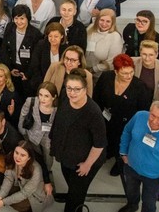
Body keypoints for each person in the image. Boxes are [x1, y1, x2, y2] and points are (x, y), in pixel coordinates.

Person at [49, 69, 106, 212]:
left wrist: (87, 164)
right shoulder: (64, 96)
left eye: (77, 89)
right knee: (73, 188)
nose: (72, 93)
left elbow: (99, 144)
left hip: (85, 160)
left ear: (85, 90)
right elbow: (59, 121)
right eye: (69, 88)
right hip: (67, 155)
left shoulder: (93, 112)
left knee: (75, 198)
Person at [93, 54, 152, 176]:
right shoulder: (106, 77)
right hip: (106, 119)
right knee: (107, 139)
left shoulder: (140, 87)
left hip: (126, 124)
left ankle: (119, 162)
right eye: (124, 73)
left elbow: (143, 112)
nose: (129, 76)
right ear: (116, 71)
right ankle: (107, 153)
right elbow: (96, 97)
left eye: (131, 72)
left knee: (121, 144)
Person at [120, 102, 159, 212]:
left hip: (153, 177)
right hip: (131, 167)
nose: (154, 121)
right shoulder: (139, 116)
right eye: (152, 115)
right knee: (130, 191)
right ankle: (132, 206)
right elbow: (127, 131)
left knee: (149, 202)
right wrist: (123, 152)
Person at [0, 141, 53, 212]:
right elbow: (8, 179)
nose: (17, 157)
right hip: (20, 186)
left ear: (29, 157)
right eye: (16, 152)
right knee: (1, 191)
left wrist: (4, 202)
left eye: (22, 155)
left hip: (33, 195)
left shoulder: (36, 170)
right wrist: (1, 196)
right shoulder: (12, 160)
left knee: (18, 204)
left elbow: (25, 193)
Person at [3, 4, 44, 100]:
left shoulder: (35, 34)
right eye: (16, 18)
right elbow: (4, 49)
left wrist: (27, 74)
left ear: (28, 19)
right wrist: (9, 69)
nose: (19, 21)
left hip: (28, 70)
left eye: (22, 18)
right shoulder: (10, 27)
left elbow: (36, 58)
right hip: (13, 67)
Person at [18, 82, 58, 173]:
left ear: (54, 97)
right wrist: (23, 132)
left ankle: (47, 173)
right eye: (40, 95)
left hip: (48, 139)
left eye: (46, 96)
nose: (42, 99)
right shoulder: (31, 101)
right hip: (32, 135)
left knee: (48, 160)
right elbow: (23, 115)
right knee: (36, 157)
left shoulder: (58, 108)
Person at [30, 23, 68, 93]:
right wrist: (43, 85)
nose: (52, 39)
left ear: (62, 36)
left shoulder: (66, 49)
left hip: (60, 83)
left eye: (56, 36)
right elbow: (35, 66)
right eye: (50, 36)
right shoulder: (41, 45)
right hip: (41, 81)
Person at [86, 9, 124, 78]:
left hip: (101, 75)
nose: (104, 24)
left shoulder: (115, 37)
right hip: (84, 69)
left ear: (113, 23)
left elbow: (111, 61)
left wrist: (92, 70)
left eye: (108, 21)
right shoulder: (90, 28)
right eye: (102, 20)